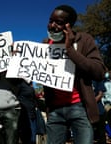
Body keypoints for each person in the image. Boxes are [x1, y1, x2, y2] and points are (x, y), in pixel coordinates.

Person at [42, 5, 106, 144]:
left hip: (79, 108)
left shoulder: (84, 40)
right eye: (50, 20)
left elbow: (99, 71)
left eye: (58, 22)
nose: (52, 26)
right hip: (55, 111)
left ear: (68, 25)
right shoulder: (45, 45)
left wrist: (70, 50)